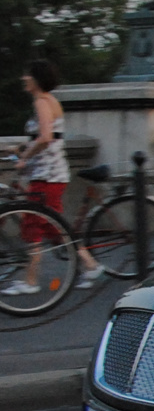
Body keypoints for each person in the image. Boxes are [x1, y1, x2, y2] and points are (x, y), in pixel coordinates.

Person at [4, 60, 106, 296]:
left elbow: (46, 138)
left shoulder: (41, 101)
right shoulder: (49, 101)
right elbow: (47, 136)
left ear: (36, 79)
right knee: (53, 227)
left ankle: (30, 281)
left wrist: (24, 157)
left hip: (46, 175)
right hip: (52, 174)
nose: (23, 79)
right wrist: (18, 148)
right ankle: (90, 265)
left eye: (26, 75)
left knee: (34, 225)